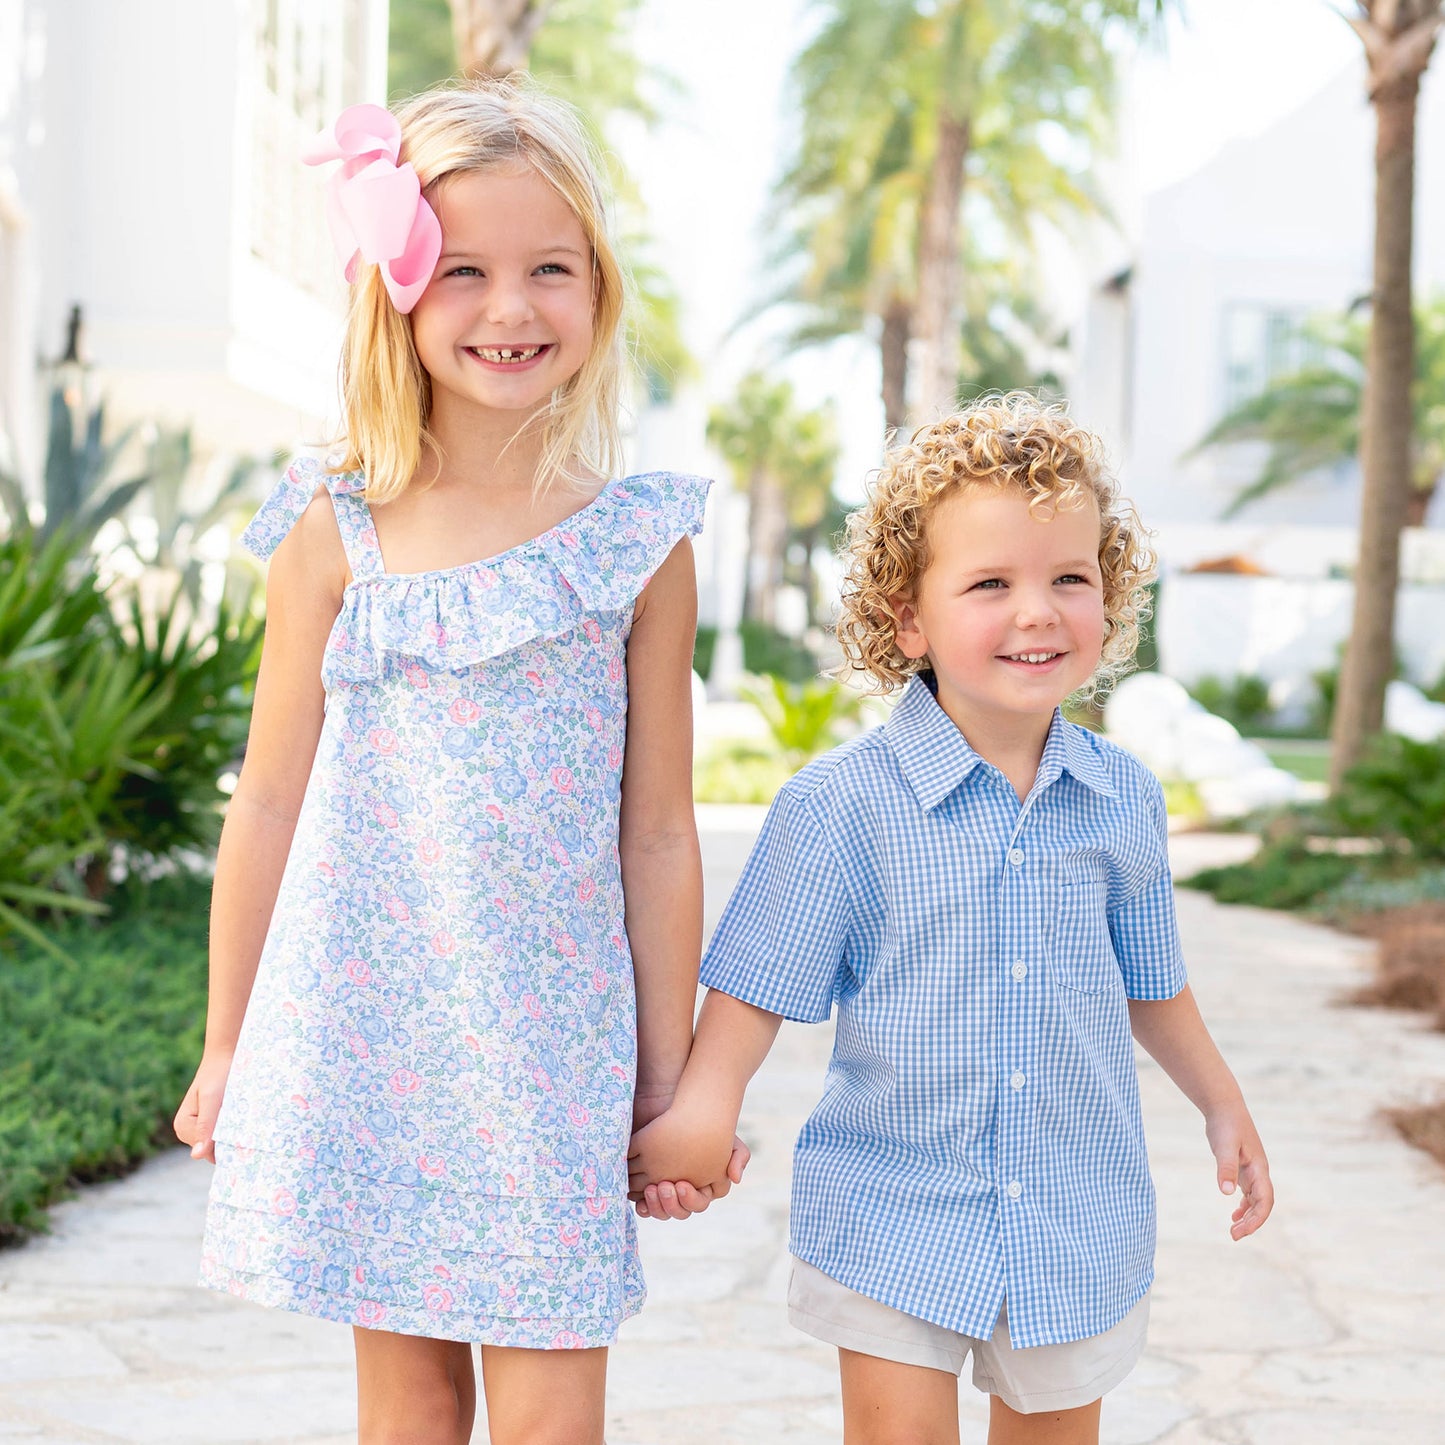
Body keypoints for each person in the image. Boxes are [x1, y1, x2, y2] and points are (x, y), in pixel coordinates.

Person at [173, 79, 738, 1445]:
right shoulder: (330, 524)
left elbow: (657, 832)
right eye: (467, 271)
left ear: (596, 290)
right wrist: (227, 1041)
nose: (511, 309)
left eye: (552, 269)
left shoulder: (639, 542)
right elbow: (267, 799)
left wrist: (666, 1081)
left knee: (553, 1411)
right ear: (397, 292)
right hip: (369, 1042)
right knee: (411, 1407)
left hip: (550, 1053)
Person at [629, 395, 1274, 1445]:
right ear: (908, 618)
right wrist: (702, 1107)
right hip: (893, 1203)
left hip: (1074, 1208)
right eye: (989, 583)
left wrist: (1219, 1103)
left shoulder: (1122, 798)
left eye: (1068, 577)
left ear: (1106, 598)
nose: (1036, 610)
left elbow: (1151, 982)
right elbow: (754, 987)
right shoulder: (838, 805)